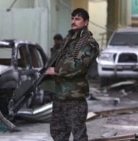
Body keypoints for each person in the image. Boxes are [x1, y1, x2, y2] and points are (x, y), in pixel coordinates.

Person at [45, 8, 99, 141]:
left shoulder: (89, 43)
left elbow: (78, 66)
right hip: (60, 94)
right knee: (58, 133)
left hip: (74, 97)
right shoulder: (68, 39)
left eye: (78, 19)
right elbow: (59, 59)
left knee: (78, 134)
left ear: (86, 22)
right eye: (72, 18)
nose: (73, 21)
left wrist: (56, 70)